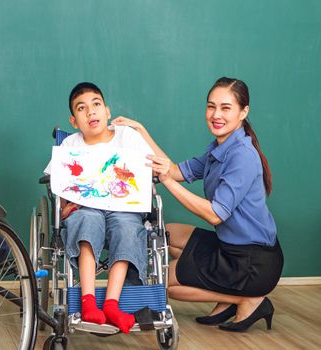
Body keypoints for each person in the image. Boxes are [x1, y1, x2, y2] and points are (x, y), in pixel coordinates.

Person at [111, 77, 284, 332]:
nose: (216, 115)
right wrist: (140, 130)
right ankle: (226, 297)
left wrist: (168, 181)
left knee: (166, 285)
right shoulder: (220, 147)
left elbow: (216, 215)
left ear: (243, 112)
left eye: (226, 108)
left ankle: (246, 299)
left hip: (252, 261)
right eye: (211, 106)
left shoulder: (242, 156)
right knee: (165, 233)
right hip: (231, 247)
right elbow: (173, 169)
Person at [46, 82, 154, 333]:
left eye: (96, 105)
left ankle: (112, 304)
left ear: (107, 111)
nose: (90, 112)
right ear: (74, 121)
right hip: (85, 208)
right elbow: (57, 183)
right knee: (87, 221)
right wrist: (62, 206)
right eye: (81, 109)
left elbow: (151, 169)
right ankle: (88, 302)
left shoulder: (128, 137)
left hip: (123, 208)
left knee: (128, 228)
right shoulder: (70, 145)